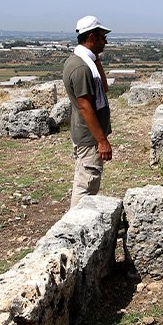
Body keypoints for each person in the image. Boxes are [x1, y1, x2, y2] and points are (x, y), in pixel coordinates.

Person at [62, 15, 113, 208]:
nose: (105, 41)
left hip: (87, 134)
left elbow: (104, 87)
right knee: (86, 185)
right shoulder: (81, 68)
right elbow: (85, 106)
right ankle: (75, 226)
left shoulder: (85, 62)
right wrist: (102, 141)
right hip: (89, 137)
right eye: (102, 37)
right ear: (91, 37)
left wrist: (96, 58)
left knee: (86, 179)